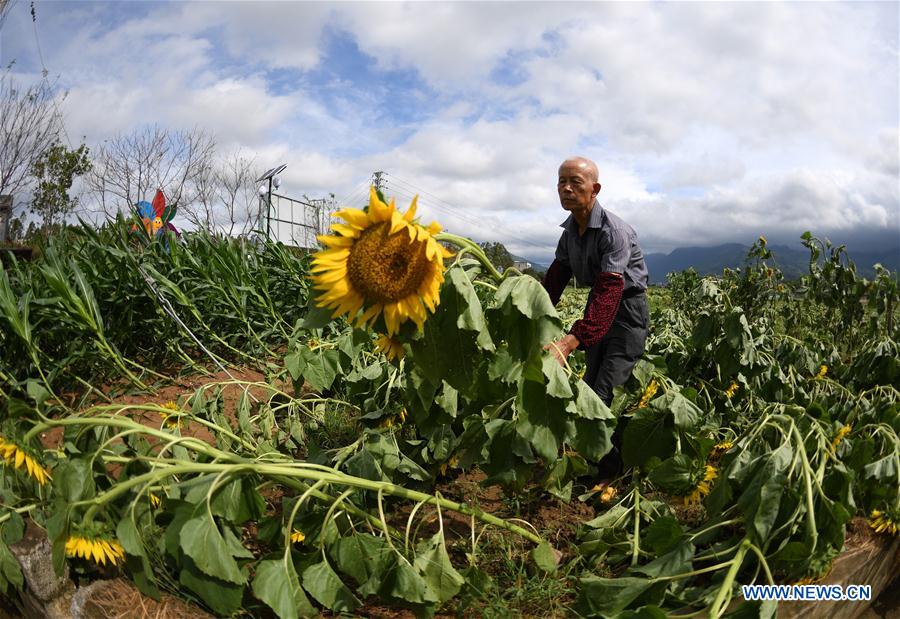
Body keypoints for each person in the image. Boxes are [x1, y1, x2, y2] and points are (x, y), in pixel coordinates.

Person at [542, 156, 650, 410]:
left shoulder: (613, 232)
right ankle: (592, 448)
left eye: (575, 182)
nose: (566, 188)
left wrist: (569, 342)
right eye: (561, 182)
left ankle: (616, 448)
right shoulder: (569, 234)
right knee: (589, 388)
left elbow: (609, 290)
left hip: (627, 312)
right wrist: (534, 315)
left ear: (595, 189)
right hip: (599, 307)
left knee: (606, 394)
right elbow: (554, 281)